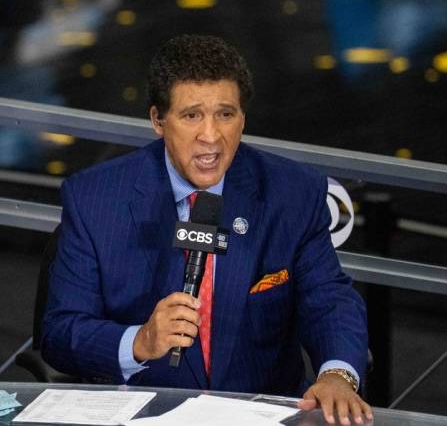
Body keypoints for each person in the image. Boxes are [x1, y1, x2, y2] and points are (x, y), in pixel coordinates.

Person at [42, 34, 372, 425]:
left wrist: (337, 374)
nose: (211, 136)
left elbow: (330, 300)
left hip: (259, 415)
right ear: (158, 120)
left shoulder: (293, 193)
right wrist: (140, 341)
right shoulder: (95, 199)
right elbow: (60, 333)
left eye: (226, 114)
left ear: (243, 119)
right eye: (192, 115)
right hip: (143, 413)